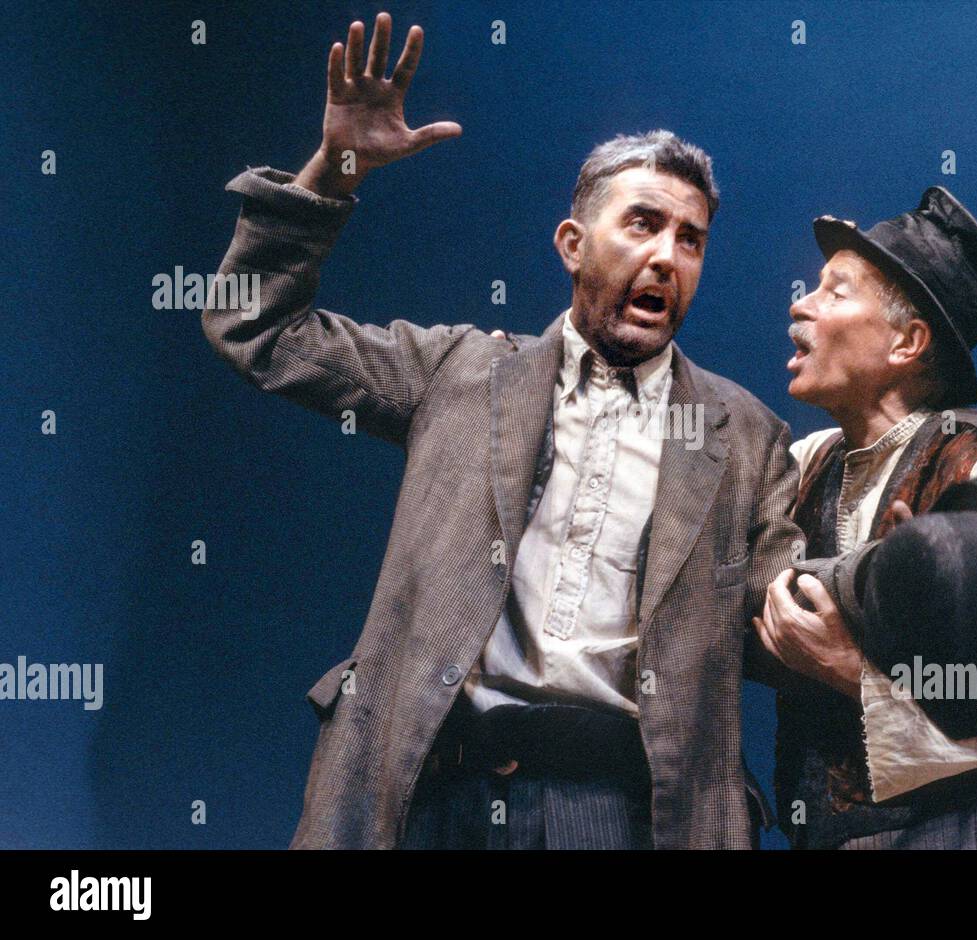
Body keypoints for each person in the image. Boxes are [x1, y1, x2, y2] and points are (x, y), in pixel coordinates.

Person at [202, 13, 802, 849]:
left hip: (622, 817)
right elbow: (254, 325)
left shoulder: (746, 437)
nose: (668, 256)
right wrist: (337, 170)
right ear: (571, 243)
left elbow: (787, 618)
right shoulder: (462, 372)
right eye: (643, 224)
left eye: (691, 240)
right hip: (429, 798)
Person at [752, 187, 977, 849]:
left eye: (835, 292)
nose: (801, 305)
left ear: (907, 341)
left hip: (976, 833)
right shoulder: (807, 461)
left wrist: (852, 672)